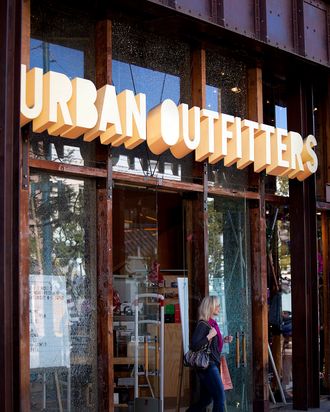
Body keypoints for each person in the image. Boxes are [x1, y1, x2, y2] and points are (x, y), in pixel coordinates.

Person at [187, 296, 233, 412]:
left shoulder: (213, 324)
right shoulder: (204, 324)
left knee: (206, 400)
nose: (219, 307)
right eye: (217, 305)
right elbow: (194, 345)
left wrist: (223, 339)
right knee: (220, 398)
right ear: (210, 307)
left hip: (211, 364)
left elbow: (211, 345)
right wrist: (209, 336)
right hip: (208, 366)